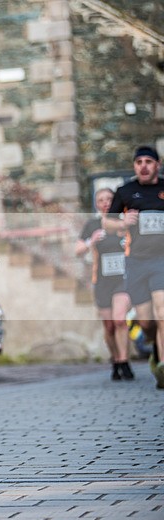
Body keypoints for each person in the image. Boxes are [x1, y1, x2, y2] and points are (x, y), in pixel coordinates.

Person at [103, 146, 164, 389]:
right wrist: (122, 222)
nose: (144, 166)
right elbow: (106, 222)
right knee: (146, 322)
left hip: (161, 260)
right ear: (135, 165)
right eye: (139, 162)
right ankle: (155, 346)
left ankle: (162, 368)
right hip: (136, 262)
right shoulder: (125, 191)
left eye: (149, 161)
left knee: (163, 313)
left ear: (157, 165)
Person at [75, 188, 133, 380]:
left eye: (110, 199)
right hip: (101, 282)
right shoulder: (92, 225)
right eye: (101, 200)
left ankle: (124, 361)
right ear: (97, 204)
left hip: (123, 279)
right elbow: (78, 250)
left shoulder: (125, 223)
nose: (106, 203)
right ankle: (116, 359)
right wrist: (91, 241)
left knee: (119, 320)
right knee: (109, 327)